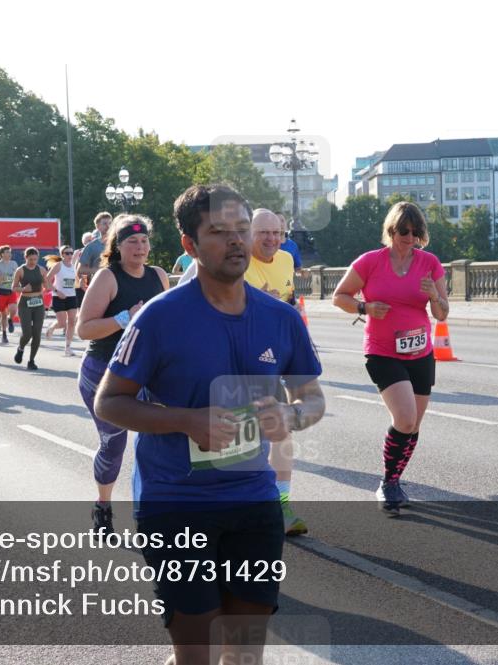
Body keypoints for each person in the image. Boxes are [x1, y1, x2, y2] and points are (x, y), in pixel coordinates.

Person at [94, 185, 325, 661]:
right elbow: (109, 402)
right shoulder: (159, 317)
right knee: (197, 652)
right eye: (219, 232)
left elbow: (312, 397)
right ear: (190, 244)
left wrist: (291, 415)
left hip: (254, 501)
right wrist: (186, 421)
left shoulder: (281, 318)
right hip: (175, 503)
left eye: (242, 229)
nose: (236, 241)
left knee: (245, 651)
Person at [331, 201, 449, 512]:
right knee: (405, 418)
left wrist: (434, 296)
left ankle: (395, 478)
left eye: (416, 231)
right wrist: (364, 308)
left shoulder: (430, 263)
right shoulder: (370, 262)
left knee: (414, 424)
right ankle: (388, 482)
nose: (410, 237)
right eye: (403, 231)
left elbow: (442, 313)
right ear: (391, 230)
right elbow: (339, 297)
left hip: (421, 351)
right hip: (382, 351)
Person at [76, 215, 169, 533]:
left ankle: (152, 510)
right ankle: (103, 507)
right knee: (114, 443)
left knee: (161, 439)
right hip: (103, 373)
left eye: (144, 241)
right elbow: (84, 329)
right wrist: (123, 319)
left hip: (145, 372)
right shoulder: (108, 277)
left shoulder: (158, 276)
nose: (140, 247)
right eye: (132, 241)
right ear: (118, 245)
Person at [246, 208, 306, 536]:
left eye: (276, 232)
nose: (271, 239)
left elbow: (286, 300)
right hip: (235, 365)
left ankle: (282, 506)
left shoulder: (284, 260)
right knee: (237, 441)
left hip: (270, 361)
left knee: (281, 432)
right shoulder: (236, 262)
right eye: (263, 232)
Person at [12, 247, 46, 370]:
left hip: (38, 303)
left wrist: (51, 288)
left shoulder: (41, 270)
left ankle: (31, 360)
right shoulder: (20, 270)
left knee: (37, 333)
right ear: (25, 258)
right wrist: (23, 289)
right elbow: (14, 287)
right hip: (25, 302)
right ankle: (20, 348)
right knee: (27, 333)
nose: (33, 262)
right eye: (30, 259)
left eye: (35, 259)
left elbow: (47, 284)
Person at [45, 244, 81, 356]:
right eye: (67, 253)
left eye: (71, 253)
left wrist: (82, 285)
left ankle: (68, 347)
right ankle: (52, 327)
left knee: (71, 322)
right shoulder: (58, 266)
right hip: (58, 297)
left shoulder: (74, 266)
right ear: (62, 255)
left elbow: (74, 282)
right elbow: (46, 280)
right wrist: (57, 292)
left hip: (71, 297)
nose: (70, 255)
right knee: (61, 323)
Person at [75, 211, 113, 304]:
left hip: (116, 286)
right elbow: (80, 270)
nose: (108, 226)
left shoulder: (119, 244)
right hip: (98, 287)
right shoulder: (91, 247)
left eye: (110, 223)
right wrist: (100, 271)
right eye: (104, 223)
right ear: (98, 227)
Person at [0, 245, 19, 342]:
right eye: (7, 252)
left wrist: (19, 285)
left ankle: (11, 320)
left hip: (11, 291)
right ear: (2, 254)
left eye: (10, 252)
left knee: (13, 309)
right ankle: (4, 334)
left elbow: (18, 276)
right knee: (3, 315)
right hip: (1, 291)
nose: (9, 254)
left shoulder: (14, 264)